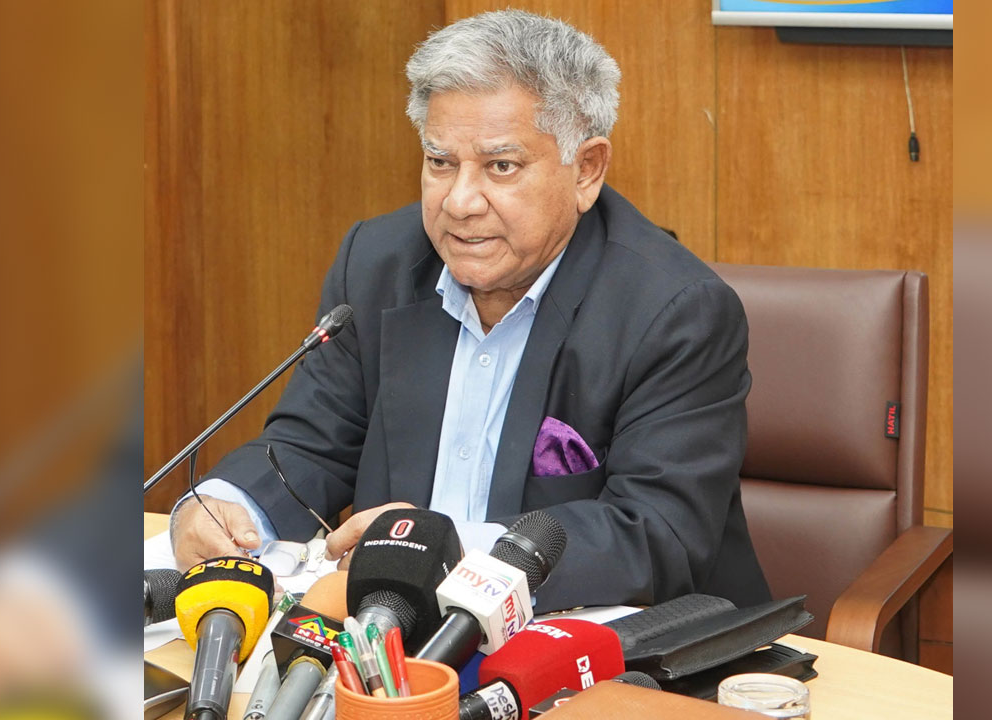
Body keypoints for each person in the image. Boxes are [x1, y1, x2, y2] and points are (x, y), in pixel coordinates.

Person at [169, 9, 770, 611]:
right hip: (397, 629)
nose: (459, 202)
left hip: (604, 643)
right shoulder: (377, 264)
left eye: (500, 167)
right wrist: (230, 504)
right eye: (440, 162)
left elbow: (656, 536)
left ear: (586, 170)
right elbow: (311, 442)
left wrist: (444, 550)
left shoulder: (674, 312)